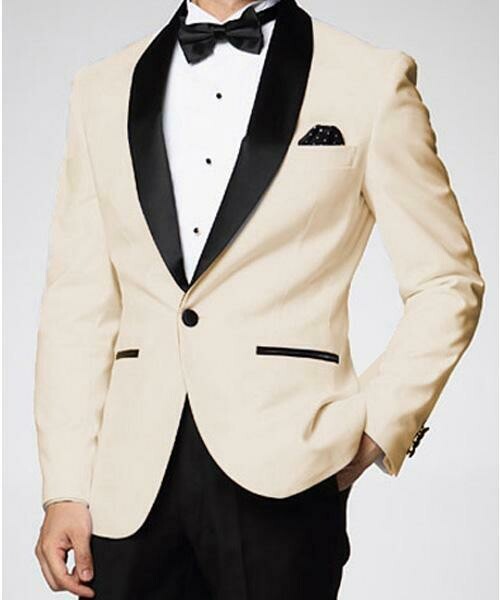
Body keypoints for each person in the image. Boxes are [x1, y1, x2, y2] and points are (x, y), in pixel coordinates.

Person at [33, 0, 485, 598]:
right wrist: (65, 486)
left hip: (287, 469)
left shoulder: (369, 80)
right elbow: (78, 300)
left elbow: (448, 281)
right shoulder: (101, 89)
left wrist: (378, 427)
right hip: (127, 483)